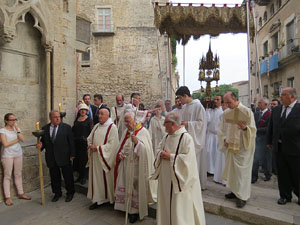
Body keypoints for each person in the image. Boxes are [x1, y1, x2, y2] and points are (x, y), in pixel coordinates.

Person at [150, 112, 206, 225]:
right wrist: (161, 153)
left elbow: (188, 161)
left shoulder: (186, 138)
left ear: (172, 123)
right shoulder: (166, 137)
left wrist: (170, 156)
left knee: (178, 207)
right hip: (166, 178)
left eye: (165, 123)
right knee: (166, 203)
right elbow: (158, 149)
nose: (163, 125)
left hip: (179, 180)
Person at [114, 112, 156, 223]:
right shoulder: (126, 132)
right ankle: (125, 207)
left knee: (135, 189)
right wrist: (121, 154)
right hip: (126, 164)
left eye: (128, 121)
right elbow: (123, 146)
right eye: (125, 121)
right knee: (125, 186)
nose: (126, 124)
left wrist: (137, 142)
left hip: (137, 167)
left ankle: (134, 212)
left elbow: (146, 151)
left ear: (134, 120)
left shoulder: (143, 132)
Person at [218, 92, 256, 208]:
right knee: (233, 172)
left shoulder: (246, 112)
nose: (227, 105)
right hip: (230, 147)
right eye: (225, 102)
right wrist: (224, 138)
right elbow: (222, 129)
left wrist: (245, 129)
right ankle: (234, 192)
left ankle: (242, 197)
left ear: (235, 99)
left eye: (229, 102)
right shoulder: (226, 113)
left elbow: (253, 130)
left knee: (241, 174)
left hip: (242, 148)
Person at [267, 87, 300, 206]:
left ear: (292, 96)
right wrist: (269, 141)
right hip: (279, 147)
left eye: (283, 94)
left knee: (297, 174)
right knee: (282, 173)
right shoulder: (276, 110)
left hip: (296, 149)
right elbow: (271, 127)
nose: (280, 97)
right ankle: (285, 196)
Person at [37, 110, 75, 202]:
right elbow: (44, 142)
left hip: (64, 156)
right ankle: (57, 193)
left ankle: (70, 193)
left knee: (68, 176)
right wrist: (40, 145)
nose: (58, 118)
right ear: (50, 118)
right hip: (51, 157)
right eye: (55, 117)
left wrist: (72, 154)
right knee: (54, 177)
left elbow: (71, 142)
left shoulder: (66, 127)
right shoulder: (45, 128)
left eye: (59, 116)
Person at [87, 108, 119, 210]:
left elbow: (112, 145)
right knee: (96, 180)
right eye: (99, 114)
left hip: (105, 160)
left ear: (107, 115)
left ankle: (110, 199)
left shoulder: (112, 127)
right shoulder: (96, 126)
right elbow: (89, 138)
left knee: (106, 180)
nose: (99, 116)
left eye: (102, 114)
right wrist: (90, 144)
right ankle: (97, 199)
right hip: (95, 160)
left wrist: (98, 148)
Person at [175, 86, 207, 189]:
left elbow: (202, 123)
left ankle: (196, 186)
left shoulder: (198, 106)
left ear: (185, 95)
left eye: (180, 98)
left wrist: (188, 123)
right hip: (185, 138)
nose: (179, 101)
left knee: (195, 163)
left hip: (195, 138)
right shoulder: (185, 107)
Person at [0, 113, 31, 206]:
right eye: (12, 120)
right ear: (6, 121)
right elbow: (5, 144)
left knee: (18, 174)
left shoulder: (16, 129)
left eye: (15, 119)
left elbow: (23, 139)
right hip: (7, 155)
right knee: (7, 175)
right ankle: (8, 197)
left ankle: (21, 193)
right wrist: (17, 140)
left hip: (18, 154)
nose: (14, 121)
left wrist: (17, 128)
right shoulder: (2, 131)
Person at [251, 98, 272, 183]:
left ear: (266, 105)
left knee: (266, 159)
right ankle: (254, 176)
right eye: (258, 103)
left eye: (260, 103)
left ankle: (268, 174)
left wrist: (257, 129)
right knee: (255, 159)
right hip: (256, 138)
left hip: (265, 139)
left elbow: (269, 128)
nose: (258, 104)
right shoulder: (256, 114)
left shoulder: (270, 114)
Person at [72, 103, 93, 185]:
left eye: (84, 110)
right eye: (81, 110)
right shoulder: (76, 120)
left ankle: (84, 177)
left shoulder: (89, 120)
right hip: (77, 143)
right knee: (77, 160)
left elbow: (92, 132)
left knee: (84, 160)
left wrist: (88, 142)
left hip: (85, 144)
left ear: (87, 111)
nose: (83, 111)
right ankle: (79, 176)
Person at [213, 96, 227, 185]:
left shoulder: (226, 113)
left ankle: (225, 178)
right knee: (220, 158)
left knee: (225, 160)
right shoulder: (222, 114)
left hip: (227, 139)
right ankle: (218, 177)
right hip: (221, 138)